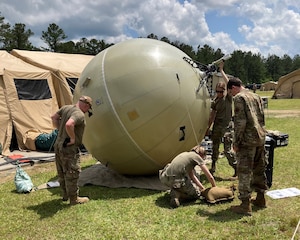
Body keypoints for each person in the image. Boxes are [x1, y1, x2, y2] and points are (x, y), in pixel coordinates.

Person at [227, 78, 268, 216]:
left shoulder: (239, 98)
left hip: (247, 141)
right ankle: (261, 198)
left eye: (230, 92)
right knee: (259, 168)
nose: (231, 96)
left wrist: (236, 142)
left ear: (233, 88)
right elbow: (262, 117)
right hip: (260, 138)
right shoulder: (256, 96)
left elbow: (240, 123)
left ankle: (245, 204)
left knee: (244, 171)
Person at [51, 95, 92, 205]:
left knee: (62, 171)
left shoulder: (66, 108)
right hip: (69, 148)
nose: (88, 111)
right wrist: (72, 138)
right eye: (88, 108)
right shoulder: (79, 114)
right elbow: (69, 124)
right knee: (72, 172)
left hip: (59, 145)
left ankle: (65, 194)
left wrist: (60, 130)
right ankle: (74, 199)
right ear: (86, 105)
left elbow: (54, 117)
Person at [206, 61, 237, 178]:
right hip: (217, 127)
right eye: (217, 91)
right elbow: (212, 115)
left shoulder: (228, 98)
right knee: (214, 148)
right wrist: (207, 128)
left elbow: (229, 83)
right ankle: (213, 167)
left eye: (220, 91)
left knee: (228, 150)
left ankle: (236, 168)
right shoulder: (215, 101)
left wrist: (221, 71)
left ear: (224, 91)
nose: (218, 93)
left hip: (227, 128)